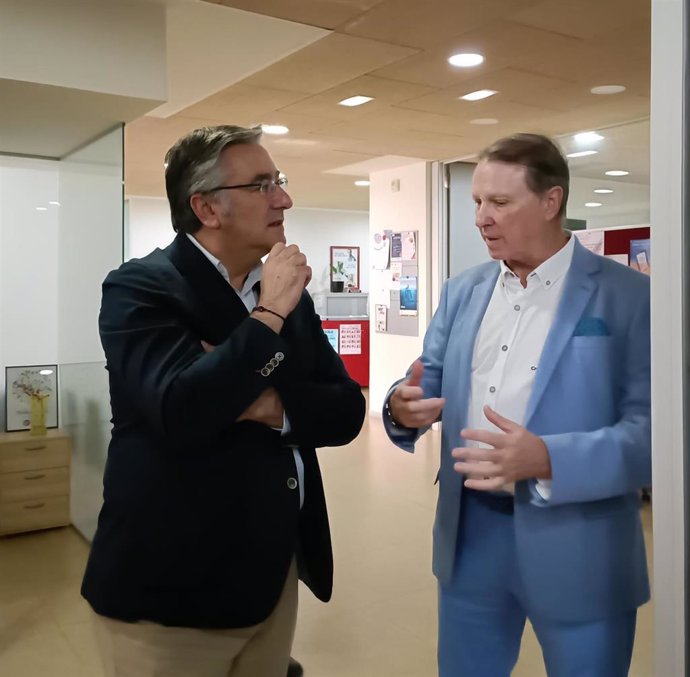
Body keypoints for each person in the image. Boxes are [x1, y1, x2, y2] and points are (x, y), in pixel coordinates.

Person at [82, 124, 366, 677]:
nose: (283, 198)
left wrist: (266, 403)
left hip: (270, 575)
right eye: (262, 185)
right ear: (207, 209)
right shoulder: (141, 289)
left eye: (278, 181)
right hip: (172, 594)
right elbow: (184, 411)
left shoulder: (282, 289)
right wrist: (270, 317)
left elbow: (346, 409)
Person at [384, 133, 650, 677]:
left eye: (499, 203)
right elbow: (421, 379)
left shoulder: (630, 297)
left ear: (552, 202)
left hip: (581, 544)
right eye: (477, 202)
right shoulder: (463, 291)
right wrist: (400, 407)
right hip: (470, 538)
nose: (482, 217)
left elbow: (659, 432)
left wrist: (549, 459)